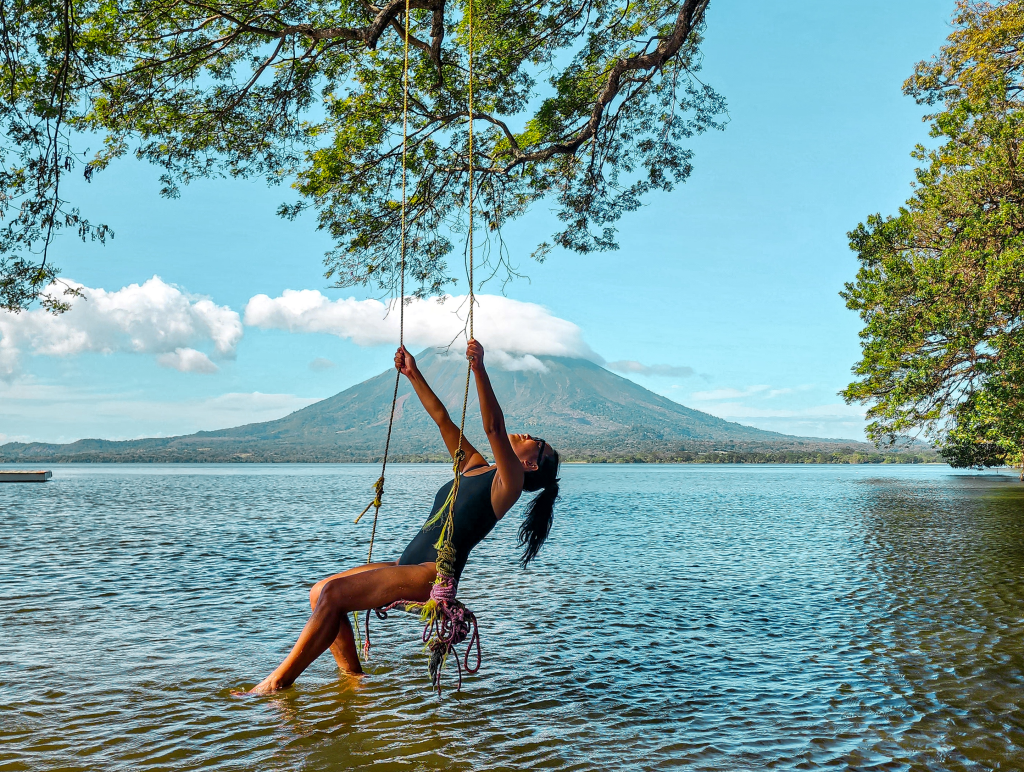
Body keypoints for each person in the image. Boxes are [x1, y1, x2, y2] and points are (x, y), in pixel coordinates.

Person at [246, 339, 560, 694]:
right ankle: (354, 679)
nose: (528, 434)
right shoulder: (475, 467)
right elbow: (443, 418)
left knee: (333, 593)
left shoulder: (510, 484)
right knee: (320, 592)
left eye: (536, 440)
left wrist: (479, 368)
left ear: (531, 463)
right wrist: (413, 374)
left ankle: (277, 683)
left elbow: (494, 430)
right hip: (404, 564)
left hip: (429, 576)